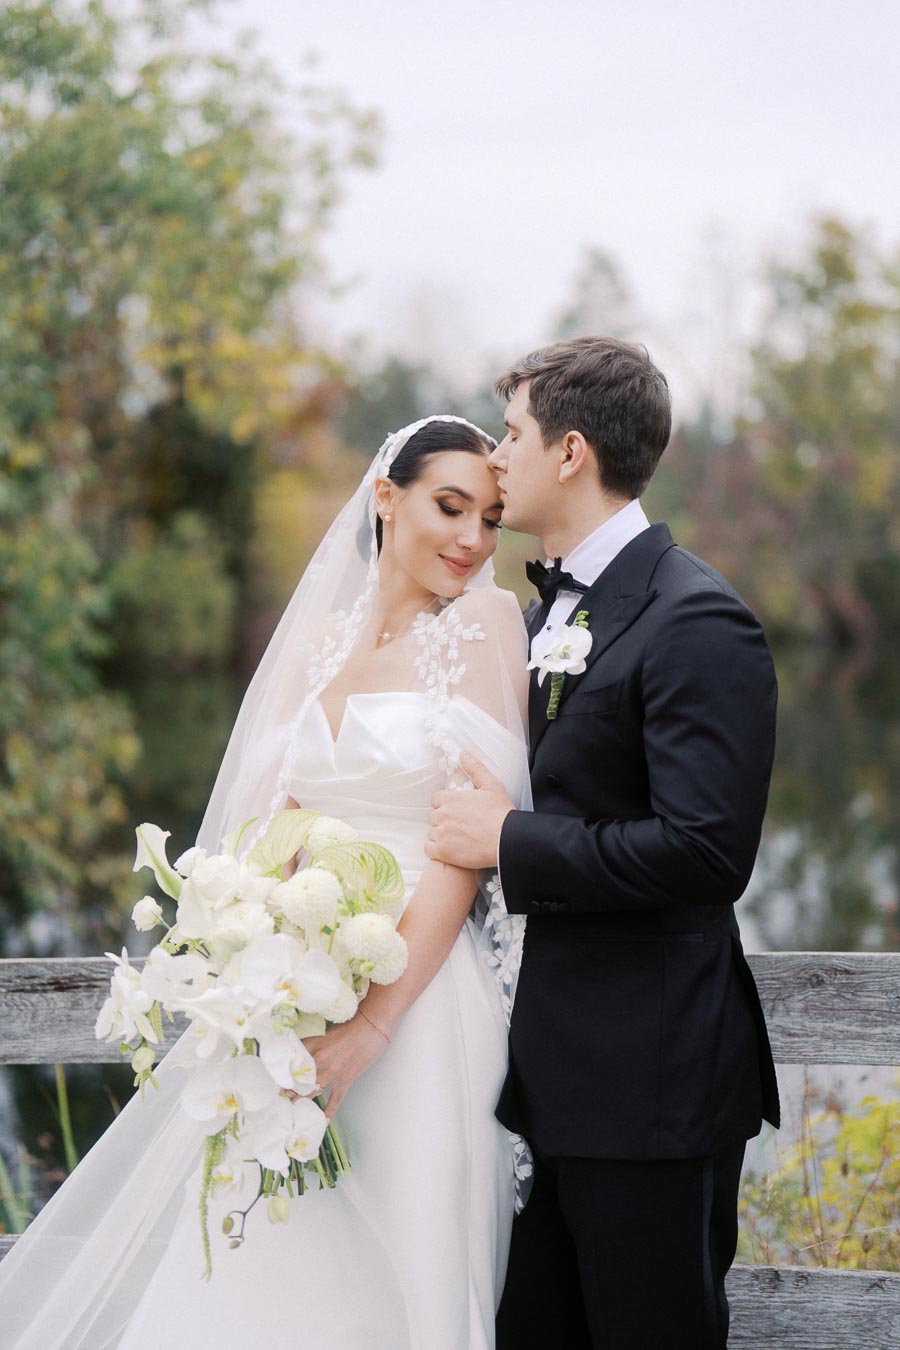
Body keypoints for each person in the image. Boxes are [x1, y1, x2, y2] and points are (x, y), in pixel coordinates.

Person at [0, 415, 533, 1350]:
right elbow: (264, 825)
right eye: (451, 507)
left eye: (490, 519)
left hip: (421, 1003)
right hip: (295, 997)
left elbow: (464, 843)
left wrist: (372, 1020)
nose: (471, 540)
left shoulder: (486, 625)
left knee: (408, 1268)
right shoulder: (319, 642)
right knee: (265, 1259)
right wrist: (257, 959)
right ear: (384, 497)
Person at [427, 338, 781, 1349]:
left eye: (513, 434)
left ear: (570, 452)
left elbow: (706, 853)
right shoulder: (544, 613)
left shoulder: (698, 620)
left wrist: (509, 840)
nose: (498, 459)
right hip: (546, 1084)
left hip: (651, 1091)